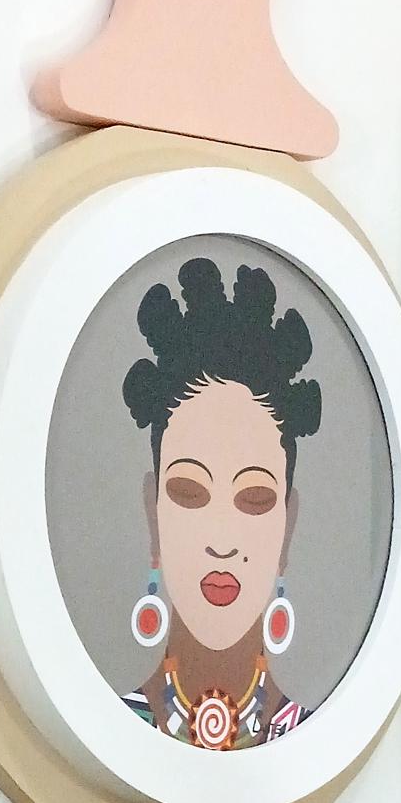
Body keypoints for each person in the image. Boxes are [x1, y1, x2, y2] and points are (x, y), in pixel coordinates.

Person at [119, 255, 322, 750]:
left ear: (288, 526)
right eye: (189, 494)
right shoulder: (110, 726)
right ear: (153, 515)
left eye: (254, 499)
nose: (222, 542)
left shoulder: (314, 737)